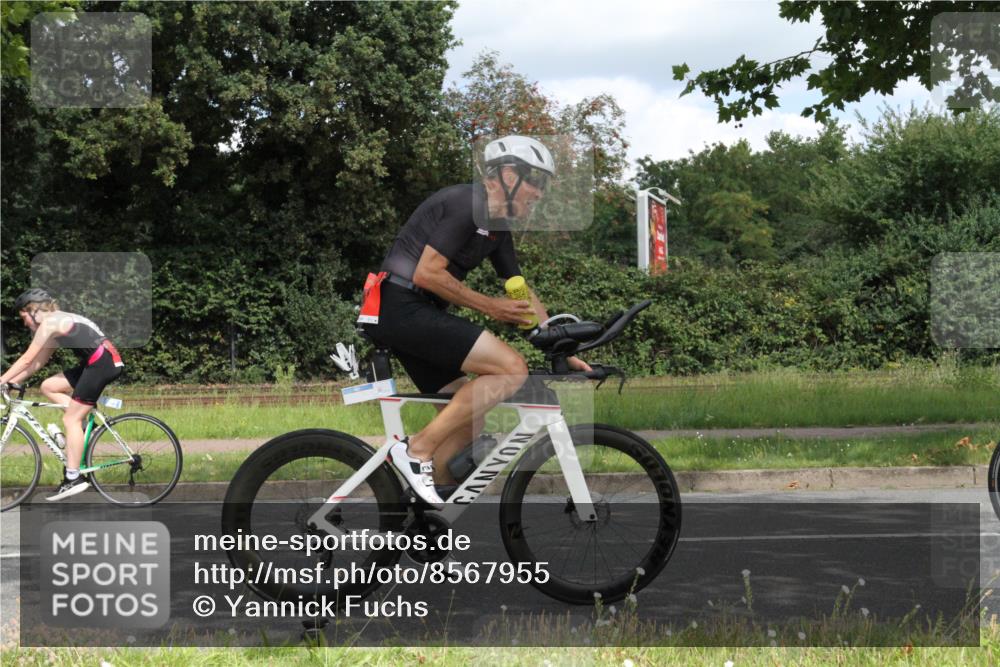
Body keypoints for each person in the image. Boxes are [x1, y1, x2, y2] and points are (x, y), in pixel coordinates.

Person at [363, 136, 591, 507]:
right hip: (400, 304)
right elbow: (427, 273)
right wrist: (491, 307)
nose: (539, 192)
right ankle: (415, 450)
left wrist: (561, 343)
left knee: (469, 423)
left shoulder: (497, 227)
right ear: (506, 175)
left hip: (413, 313)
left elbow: (520, 291)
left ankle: (424, 520)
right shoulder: (468, 203)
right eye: (536, 180)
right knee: (510, 368)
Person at [0, 288, 125, 500]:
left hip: (102, 363)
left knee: (70, 419)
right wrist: (11, 382)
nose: (24, 324)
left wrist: (1, 380)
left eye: (24, 317)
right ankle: (83, 428)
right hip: (96, 362)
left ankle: (73, 478)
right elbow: (37, 364)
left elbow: (26, 360)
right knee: (48, 386)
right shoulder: (53, 324)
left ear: (34, 311)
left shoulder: (49, 323)